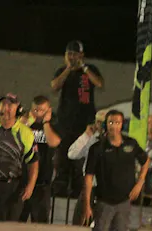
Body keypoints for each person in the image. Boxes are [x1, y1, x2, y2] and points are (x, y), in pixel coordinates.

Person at [80, 110, 150, 231]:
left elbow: (145, 161)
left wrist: (140, 182)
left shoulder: (130, 144)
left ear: (122, 125)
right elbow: (89, 177)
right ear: (106, 124)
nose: (114, 126)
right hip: (104, 200)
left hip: (124, 201)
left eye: (117, 122)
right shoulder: (98, 148)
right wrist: (87, 204)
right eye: (111, 122)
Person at [50, 40, 104, 197]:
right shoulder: (62, 70)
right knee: (62, 159)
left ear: (81, 55)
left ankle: (79, 193)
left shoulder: (90, 69)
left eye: (75, 54)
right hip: (65, 123)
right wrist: (69, 68)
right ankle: (60, 191)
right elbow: (54, 86)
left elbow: (99, 83)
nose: (72, 57)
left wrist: (84, 68)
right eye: (69, 54)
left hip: (84, 124)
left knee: (80, 160)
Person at [19, 96, 62, 223]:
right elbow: (15, 137)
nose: (38, 114)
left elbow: (53, 142)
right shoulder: (23, 122)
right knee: (17, 220)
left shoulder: (54, 124)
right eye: (35, 110)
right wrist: (28, 122)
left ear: (49, 110)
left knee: (40, 222)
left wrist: (45, 123)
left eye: (42, 110)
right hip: (22, 179)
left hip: (43, 181)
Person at [0, 94, 37, 221]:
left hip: (13, 187)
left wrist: (30, 186)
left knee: (9, 226)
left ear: (18, 109)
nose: (6, 108)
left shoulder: (25, 132)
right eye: (4, 104)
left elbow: (33, 161)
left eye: (10, 105)